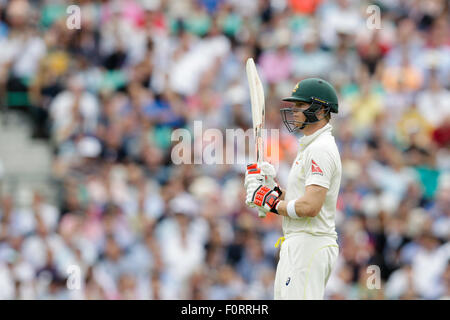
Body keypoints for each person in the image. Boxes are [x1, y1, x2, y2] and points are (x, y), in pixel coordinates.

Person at [245, 78, 342, 299]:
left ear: (321, 110)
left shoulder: (320, 149)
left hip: (309, 242)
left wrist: (270, 202)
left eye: (300, 106)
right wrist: (273, 191)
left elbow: (310, 207)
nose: (293, 111)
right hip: (299, 241)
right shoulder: (310, 146)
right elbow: (301, 199)